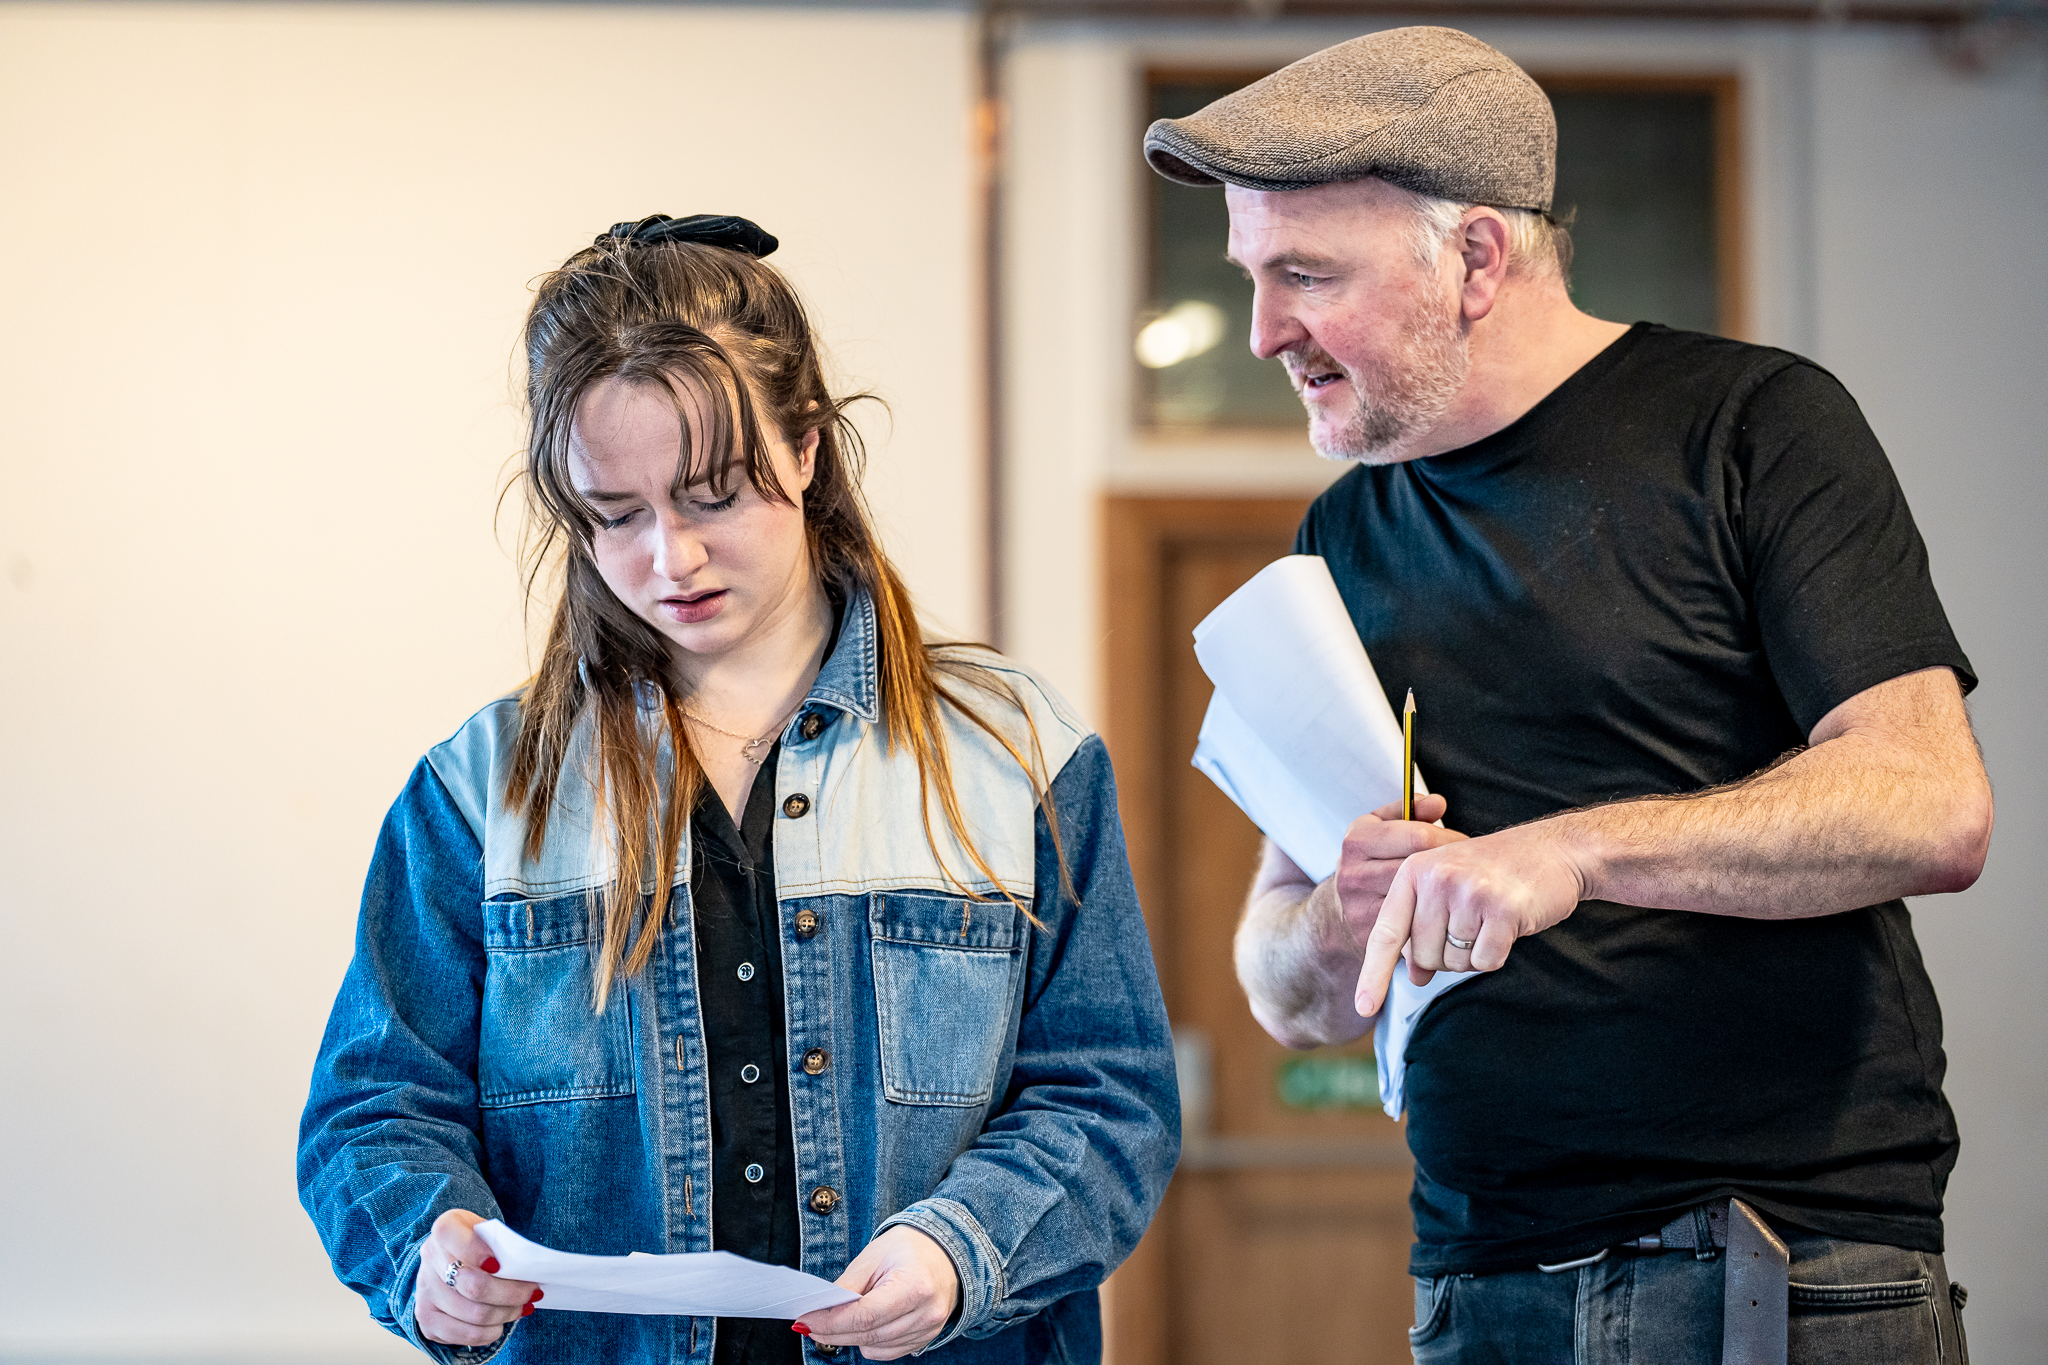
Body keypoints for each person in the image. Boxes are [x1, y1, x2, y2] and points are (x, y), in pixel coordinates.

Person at [1144, 28, 1990, 1364]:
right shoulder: (1338, 543)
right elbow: (1284, 987)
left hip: (1772, 1260)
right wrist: (1339, 918)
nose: (1263, 333)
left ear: (1476, 258)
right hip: (1479, 1276)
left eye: (1306, 274)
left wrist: (1577, 849)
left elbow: (1933, 806)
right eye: (1253, 277)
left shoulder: (1753, 427)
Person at [297, 214, 1178, 1365]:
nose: (671, 559)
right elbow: (374, 1109)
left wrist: (960, 1251)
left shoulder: (1015, 754)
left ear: (807, 448)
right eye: (614, 518)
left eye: (712, 495)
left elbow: (1108, 1099)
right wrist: (426, 1249)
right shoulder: (478, 792)